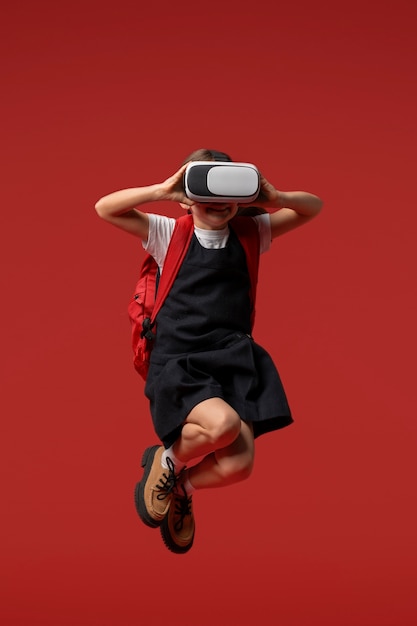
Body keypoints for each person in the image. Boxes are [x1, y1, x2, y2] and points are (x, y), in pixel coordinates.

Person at [95, 148, 323, 554]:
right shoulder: (169, 233)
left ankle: (180, 484)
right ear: (187, 196)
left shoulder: (252, 233)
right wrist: (163, 188)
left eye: (226, 190)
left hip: (233, 357)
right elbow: (105, 208)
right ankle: (166, 461)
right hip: (180, 360)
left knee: (238, 466)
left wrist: (274, 196)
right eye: (204, 189)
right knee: (222, 427)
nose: (216, 203)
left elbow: (312, 208)